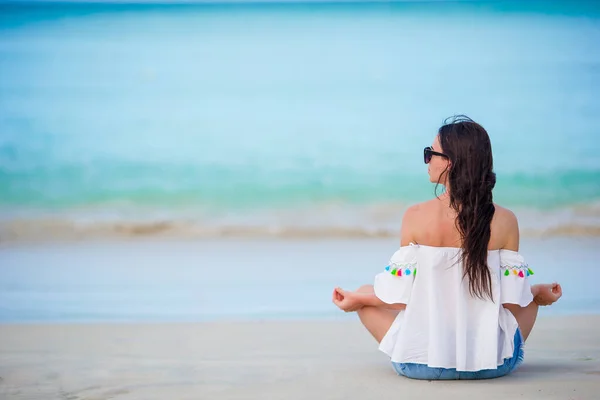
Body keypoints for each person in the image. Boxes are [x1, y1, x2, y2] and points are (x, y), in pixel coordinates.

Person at [332, 116, 562, 380]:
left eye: (430, 153)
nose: (427, 160)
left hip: (419, 365)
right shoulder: (506, 219)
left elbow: (398, 298)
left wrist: (358, 300)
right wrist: (536, 294)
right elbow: (511, 301)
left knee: (364, 293)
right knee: (528, 296)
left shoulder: (416, 216)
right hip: (492, 365)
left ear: (450, 162)